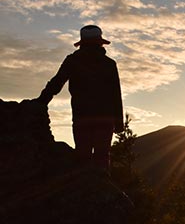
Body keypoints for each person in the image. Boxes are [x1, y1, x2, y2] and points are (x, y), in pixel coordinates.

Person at [36, 25, 124, 171]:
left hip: (82, 115)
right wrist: (119, 122)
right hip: (105, 117)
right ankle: (101, 188)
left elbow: (57, 82)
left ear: (81, 43)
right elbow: (116, 93)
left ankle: (85, 187)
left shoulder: (72, 60)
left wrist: (41, 101)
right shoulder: (109, 64)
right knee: (102, 157)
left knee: (83, 157)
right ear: (100, 42)